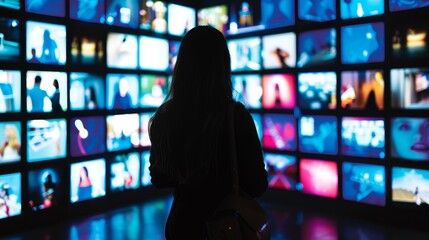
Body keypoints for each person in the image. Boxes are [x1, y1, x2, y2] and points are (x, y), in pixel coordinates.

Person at [148, 26, 268, 239]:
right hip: (225, 227)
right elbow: (256, 184)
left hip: (182, 226)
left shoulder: (165, 116)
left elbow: (159, 178)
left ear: (182, 66)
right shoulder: (235, 116)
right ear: (223, 65)